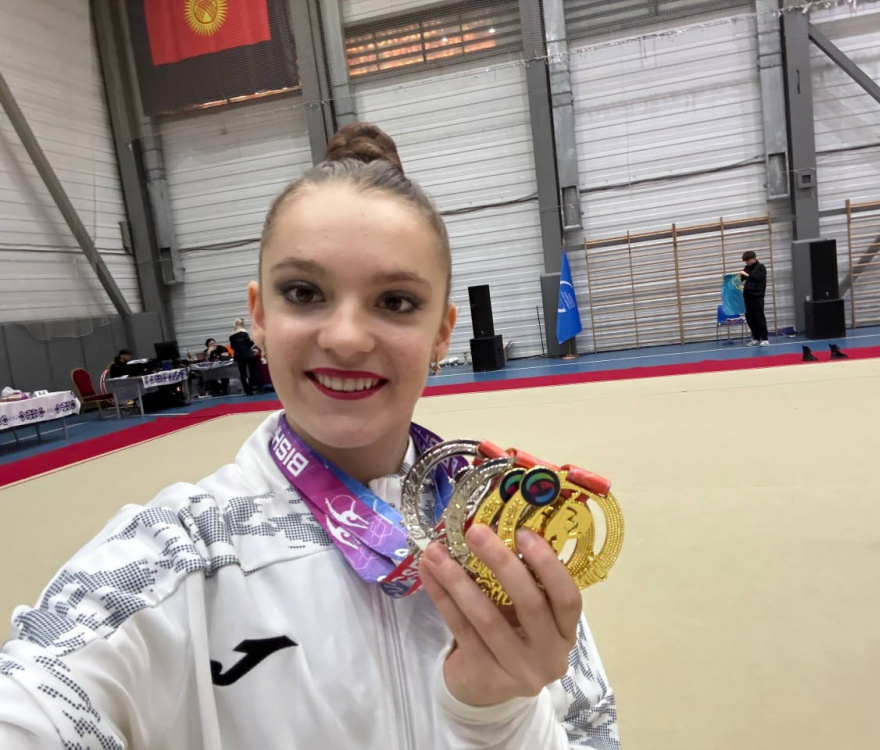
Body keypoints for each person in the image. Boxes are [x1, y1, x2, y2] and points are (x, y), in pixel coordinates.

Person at [0, 123, 618, 749]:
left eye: (396, 301)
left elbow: (594, 734)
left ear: (442, 332)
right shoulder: (169, 561)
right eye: (304, 293)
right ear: (260, 316)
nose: (345, 338)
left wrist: (498, 717)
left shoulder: (502, 535)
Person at [739, 250, 769, 346]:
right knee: (750, 318)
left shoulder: (761, 267)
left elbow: (758, 278)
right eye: (745, 261)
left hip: (757, 296)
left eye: (748, 260)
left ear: (754, 258)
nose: (747, 262)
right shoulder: (747, 268)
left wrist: (747, 275)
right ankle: (756, 338)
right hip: (747, 296)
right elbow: (741, 279)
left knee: (759, 318)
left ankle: (765, 338)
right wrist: (730, 278)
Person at [229, 318, 261, 396]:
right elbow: (249, 344)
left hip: (239, 356)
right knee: (252, 371)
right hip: (248, 355)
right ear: (242, 324)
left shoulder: (231, 336)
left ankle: (247, 391)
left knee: (243, 374)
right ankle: (254, 387)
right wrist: (254, 340)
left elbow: (232, 347)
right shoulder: (244, 333)